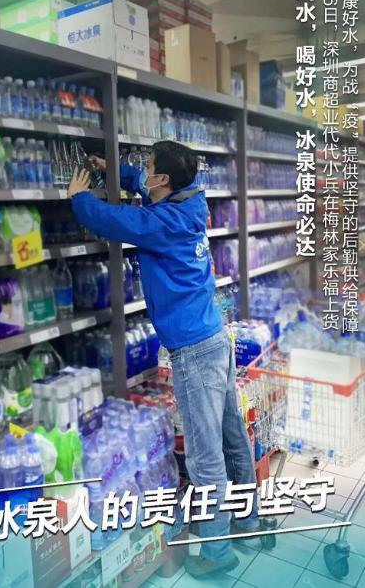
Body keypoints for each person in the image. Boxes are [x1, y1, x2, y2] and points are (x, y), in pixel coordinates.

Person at [68, 140, 258, 580]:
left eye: (149, 166)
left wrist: (80, 199)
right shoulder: (187, 203)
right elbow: (144, 187)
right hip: (214, 338)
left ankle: (217, 550)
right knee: (232, 434)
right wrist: (115, 169)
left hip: (193, 350)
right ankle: (247, 521)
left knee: (205, 453)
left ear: (165, 179)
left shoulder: (162, 221)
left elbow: (117, 220)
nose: (144, 171)